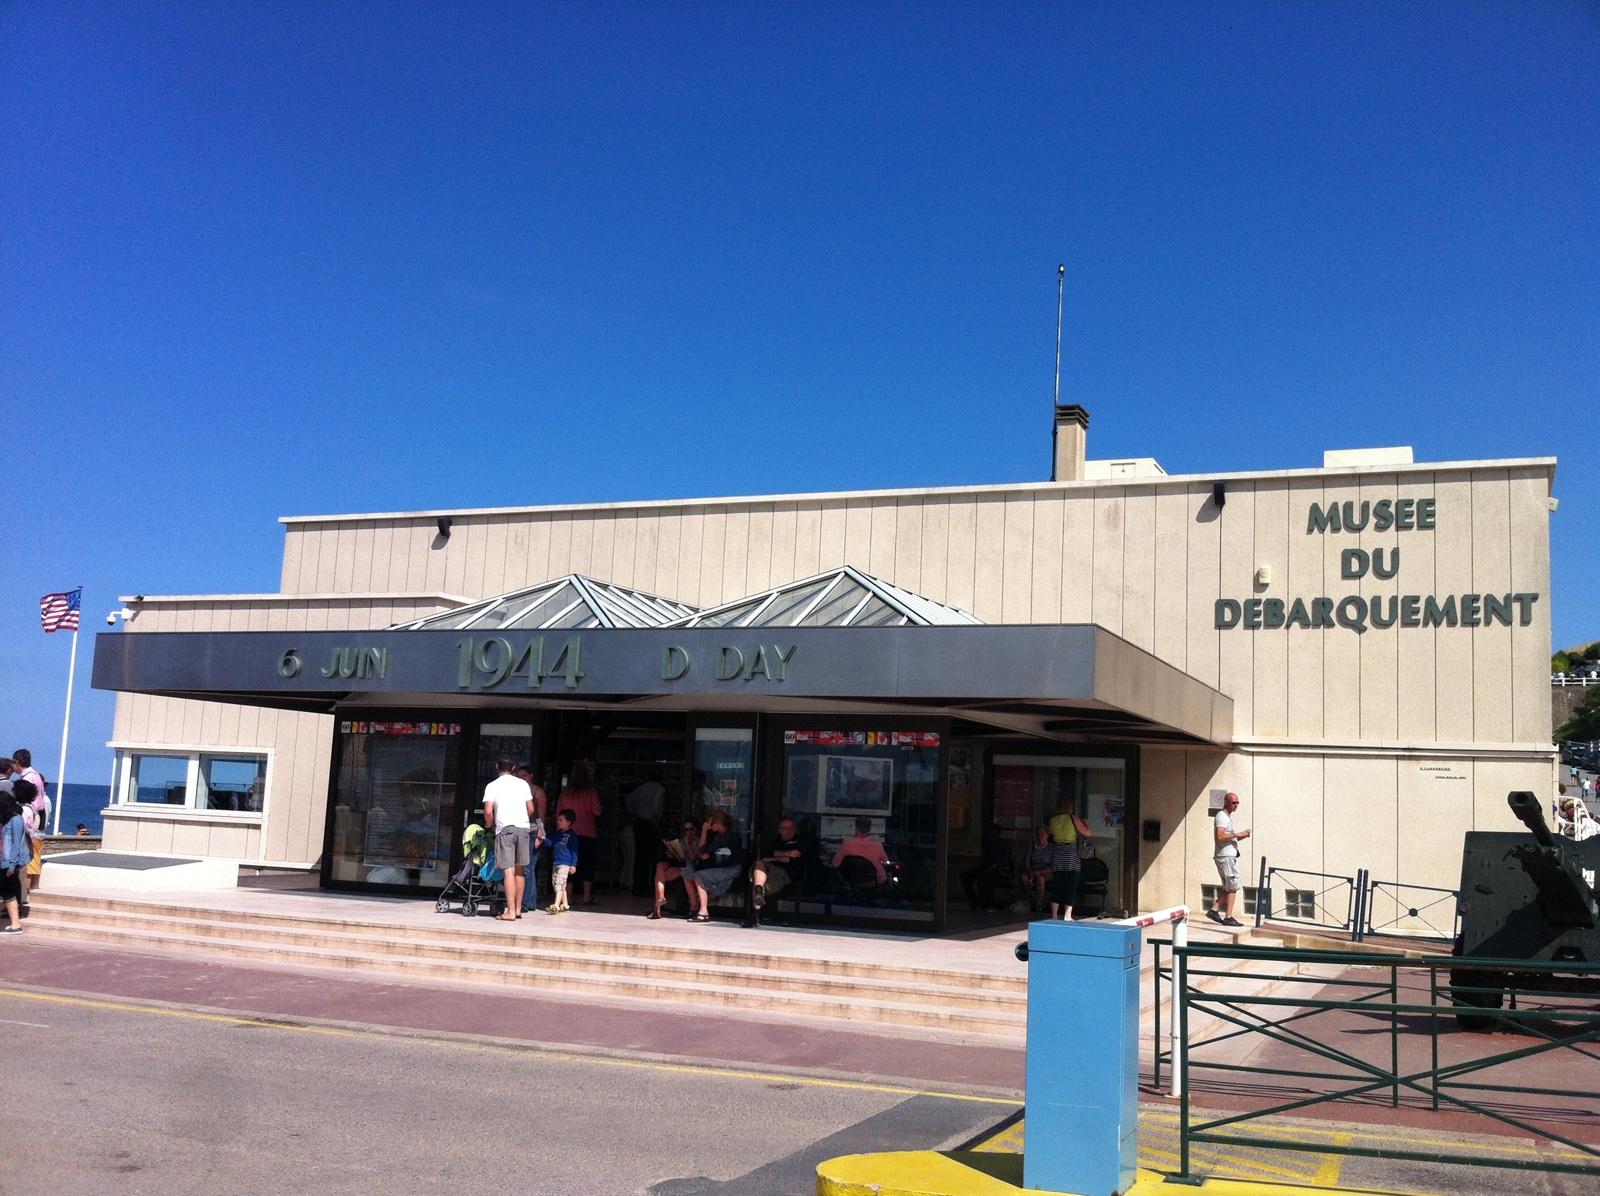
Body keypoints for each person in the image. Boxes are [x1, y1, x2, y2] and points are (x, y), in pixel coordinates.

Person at [482, 757, 534, 922]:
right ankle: (518, 909)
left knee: (508, 871)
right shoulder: (523, 784)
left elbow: (488, 811)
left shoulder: (492, 786)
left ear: (497, 767)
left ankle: (510, 911)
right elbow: (531, 808)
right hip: (523, 828)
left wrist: (489, 824)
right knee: (520, 870)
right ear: (513, 767)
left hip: (505, 829)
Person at [683, 809, 742, 923]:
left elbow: (702, 849)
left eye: (710, 823)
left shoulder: (728, 836)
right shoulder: (717, 836)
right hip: (719, 867)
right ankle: (696, 907)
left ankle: (703, 912)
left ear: (717, 823)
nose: (709, 825)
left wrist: (704, 830)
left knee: (699, 876)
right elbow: (702, 852)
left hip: (730, 869)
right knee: (689, 873)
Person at [559, 763, 603, 906]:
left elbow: (559, 812)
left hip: (568, 833)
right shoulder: (590, 792)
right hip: (587, 833)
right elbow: (597, 811)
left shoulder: (566, 792)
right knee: (587, 864)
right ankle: (586, 896)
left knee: (569, 863)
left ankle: (569, 896)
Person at [752, 816, 815, 910]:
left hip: (786, 873)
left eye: (791, 827)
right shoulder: (775, 843)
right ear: (779, 830)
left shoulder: (800, 842)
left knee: (760, 882)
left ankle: (756, 907)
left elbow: (792, 860)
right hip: (766, 870)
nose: (789, 830)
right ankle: (758, 891)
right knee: (759, 864)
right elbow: (765, 856)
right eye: (785, 828)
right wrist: (787, 853)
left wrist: (774, 857)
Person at [1207, 791, 1251, 928]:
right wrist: (1237, 834)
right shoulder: (1222, 816)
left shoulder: (1227, 817)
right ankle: (1228, 916)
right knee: (1232, 885)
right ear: (1226, 802)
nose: (1236, 805)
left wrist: (1241, 836)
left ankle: (1214, 910)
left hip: (1228, 856)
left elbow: (1228, 836)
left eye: (1237, 803)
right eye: (1233, 802)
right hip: (1225, 857)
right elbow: (1219, 836)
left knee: (1230, 885)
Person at [1047, 798, 1090, 921]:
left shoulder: (1053, 820)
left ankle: (1054, 915)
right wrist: (1086, 823)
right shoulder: (1073, 818)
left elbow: (1051, 833)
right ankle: (1067, 915)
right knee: (1071, 886)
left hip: (1058, 854)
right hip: (1071, 854)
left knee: (1058, 885)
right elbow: (1088, 833)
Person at [648, 817, 700, 919]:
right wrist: (671, 853)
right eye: (686, 830)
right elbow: (677, 858)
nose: (688, 832)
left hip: (691, 868)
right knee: (660, 867)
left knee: (661, 877)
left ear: (696, 830)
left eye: (691, 829)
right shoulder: (681, 841)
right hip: (680, 867)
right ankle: (660, 899)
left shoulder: (698, 841)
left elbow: (694, 859)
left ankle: (658, 907)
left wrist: (688, 844)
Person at [513, 765, 549, 913]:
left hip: (533, 831)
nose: (522, 778)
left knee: (528, 868)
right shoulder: (517, 791)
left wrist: (541, 834)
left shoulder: (537, 792)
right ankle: (529, 901)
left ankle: (526, 902)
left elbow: (541, 815)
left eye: (524, 776)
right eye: (519, 776)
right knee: (523, 868)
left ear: (531, 776)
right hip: (520, 830)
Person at [961, 822, 1012, 911]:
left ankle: (986, 902)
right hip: (986, 868)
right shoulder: (987, 844)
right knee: (965, 875)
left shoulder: (1003, 844)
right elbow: (984, 861)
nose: (991, 835)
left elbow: (1006, 859)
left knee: (985, 877)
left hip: (998, 870)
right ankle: (975, 900)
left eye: (993, 833)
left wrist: (995, 865)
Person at [832, 817, 893, 888]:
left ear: (856, 828)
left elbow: (835, 864)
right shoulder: (878, 845)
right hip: (876, 882)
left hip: (853, 882)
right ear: (869, 829)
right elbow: (885, 861)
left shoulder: (846, 845)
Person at [1, 790, 27, 933]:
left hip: (7, 862)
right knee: (7, 892)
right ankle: (15, 924)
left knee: (7, 892)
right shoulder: (6, 819)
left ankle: (16, 924)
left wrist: (12, 864)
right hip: (3, 861)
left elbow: (16, 843)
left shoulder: (16, 820)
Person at [547, 810, 578, 914]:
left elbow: (575, 851)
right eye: (558, 820)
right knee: (557, 883)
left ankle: (556, 905)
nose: (558, 822)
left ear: (568, 822)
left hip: (565, 863)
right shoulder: (558, 834)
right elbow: (550, 843)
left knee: (559, 883)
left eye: (561, 820)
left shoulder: (572, 835)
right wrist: (543, 839)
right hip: (556, 861)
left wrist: (573, 865)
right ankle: (565, 904)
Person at [1021, 825, 1054, 912]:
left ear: (1047, 835)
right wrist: (1030, 872)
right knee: (1024, 878)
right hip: (1032, 869)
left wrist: (1040, 872)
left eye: (1042, 834)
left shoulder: (1051, 847)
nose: (1040, 836)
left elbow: (1053, 866)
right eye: (1038, 834)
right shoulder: (1032, 845)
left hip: (1046, 871)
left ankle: (1038, 903)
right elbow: (1027, 861)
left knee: (1040, 880)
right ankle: (1031, 899)